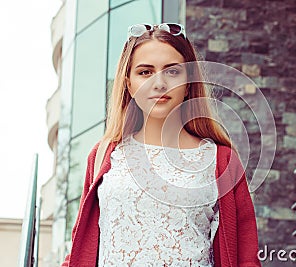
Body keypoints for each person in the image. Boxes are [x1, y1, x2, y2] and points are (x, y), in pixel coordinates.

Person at [62, 23, 260, 267]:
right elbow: (79, 246)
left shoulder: (221, 160)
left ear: (189, 82)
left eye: (173, 71)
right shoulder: (104, 155)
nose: (159, 83)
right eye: (145, 72)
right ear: (128, 84)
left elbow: (245, 256)